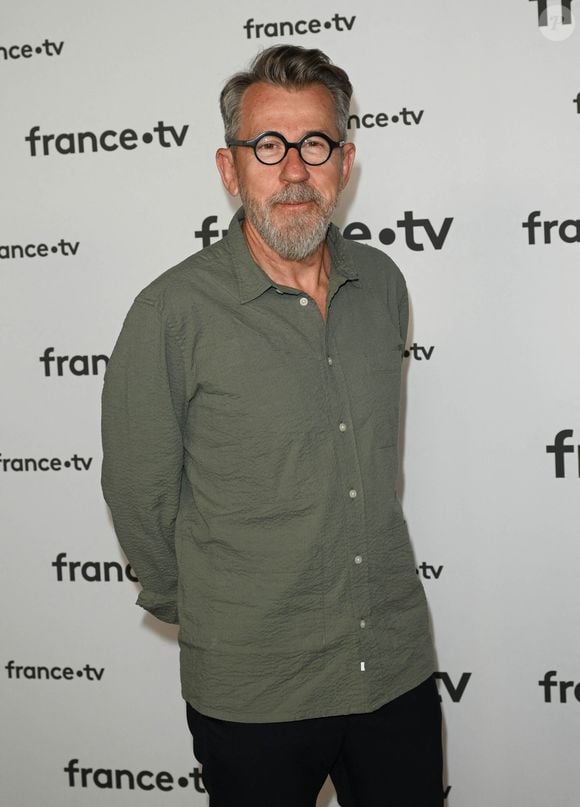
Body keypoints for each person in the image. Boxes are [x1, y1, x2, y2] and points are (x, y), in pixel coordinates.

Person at [101, 45, 442, 807]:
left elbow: (376, 465)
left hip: (391, 665)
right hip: (252, 691)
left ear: (345, 161)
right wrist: (226, 613)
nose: (294, 170)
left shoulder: (383, 285)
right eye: (268, 146)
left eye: (315, 144)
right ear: (231, 169)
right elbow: (139, 495)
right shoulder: (170, 314)